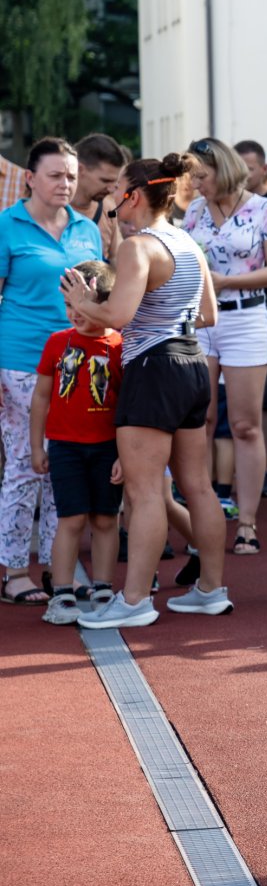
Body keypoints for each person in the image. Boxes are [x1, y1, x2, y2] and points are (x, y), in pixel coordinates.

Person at [71, 154, 227, 628]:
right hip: (192, 363)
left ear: (133, 195)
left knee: (143, 493)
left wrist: (82, 302)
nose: (113, 196)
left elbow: (116, 315)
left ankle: (136, 599)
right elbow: (209, 316)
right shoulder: (187, 241)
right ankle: (211, 590)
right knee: (197, 485)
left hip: (154, 369)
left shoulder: (140, 247)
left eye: (118, 187)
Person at [0, 139, 103, 604]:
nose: (67, 184)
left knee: (62, 465)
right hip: (20, 360)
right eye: (57, 175)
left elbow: (99, 297)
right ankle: (15, 569)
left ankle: (58, 569)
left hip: (75, 364)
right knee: (25, 462)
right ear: (30, 179)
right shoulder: (7, 226)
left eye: (72, 176)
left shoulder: (88, 229)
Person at [182, 137, 267, 557]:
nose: (195, 184)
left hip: (245, 317)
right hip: (200, 320)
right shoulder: (192, 211)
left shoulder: (265, 209)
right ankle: (202, 519)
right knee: (201, 420)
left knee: (245, 424)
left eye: (202, 176)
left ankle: (246, 522)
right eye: (192, 176)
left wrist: (227, 282)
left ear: (222, 170)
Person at [30, 260, 122, 625]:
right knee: (70, 519)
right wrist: (37, 446)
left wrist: (124, 455)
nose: (75, 313)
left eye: (83, 304)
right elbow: (41, 397)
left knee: (105, 519)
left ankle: (103, 587)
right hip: (65, 446)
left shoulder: (119, 345)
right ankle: (63, 592)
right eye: (69, 305)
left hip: (107, 447)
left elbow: (127, 401)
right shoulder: (56, 343)